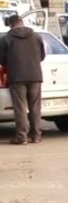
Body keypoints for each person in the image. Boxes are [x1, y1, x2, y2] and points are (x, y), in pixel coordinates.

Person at [0, 15, 46, 144]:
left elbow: (2, 60)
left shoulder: (6, 39)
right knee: (35, 107)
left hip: (16, 76)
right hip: (35, 76)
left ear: (10, 25)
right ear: (22, 22)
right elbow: (42, 56)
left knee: (20, 107)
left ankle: (22, 137)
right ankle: (36, 136)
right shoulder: (36, 36)